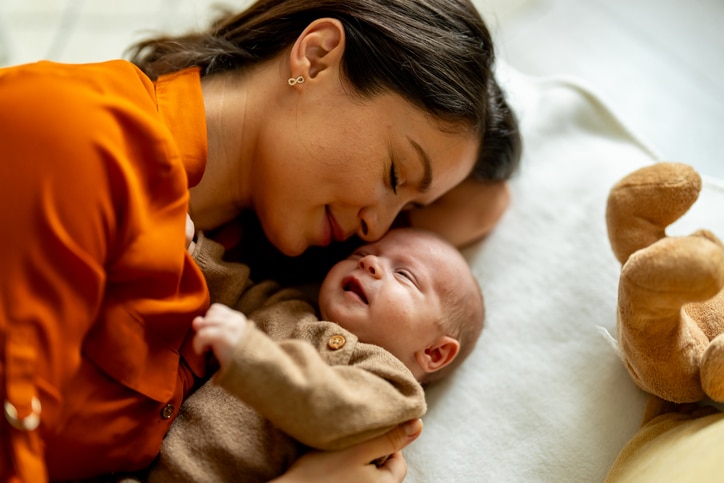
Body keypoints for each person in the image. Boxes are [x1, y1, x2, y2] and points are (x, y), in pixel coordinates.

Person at [0, 0, 520, 481]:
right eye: (392, 173)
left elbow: (486, 203)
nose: (378, 233)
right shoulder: (75, 141)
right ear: (316, 57)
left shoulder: (245, 262)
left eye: (409, 211)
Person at [141, 227, 484, 482]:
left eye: (405, 275)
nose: (371, 263)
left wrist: (249, 355)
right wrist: (192, 249)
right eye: (361, 253)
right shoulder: (287, 307)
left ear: (435, 352)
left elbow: (333, 410)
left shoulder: (393, 388)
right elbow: (234, 286)